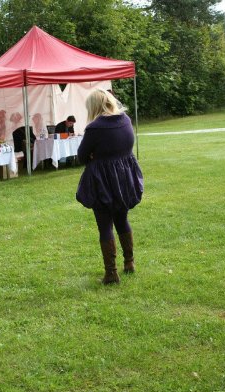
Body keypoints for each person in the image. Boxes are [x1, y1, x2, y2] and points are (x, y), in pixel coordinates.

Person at [75, 89, 143, 284]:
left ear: (93, 106)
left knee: (105, 224)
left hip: (102, 181)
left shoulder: (95, 128)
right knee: (122, 219)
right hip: (124, 179)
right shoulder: (126, 120)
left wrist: (97, 157)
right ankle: (129, 263)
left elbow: (81, 156)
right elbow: (128, 146)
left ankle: (111, 273)